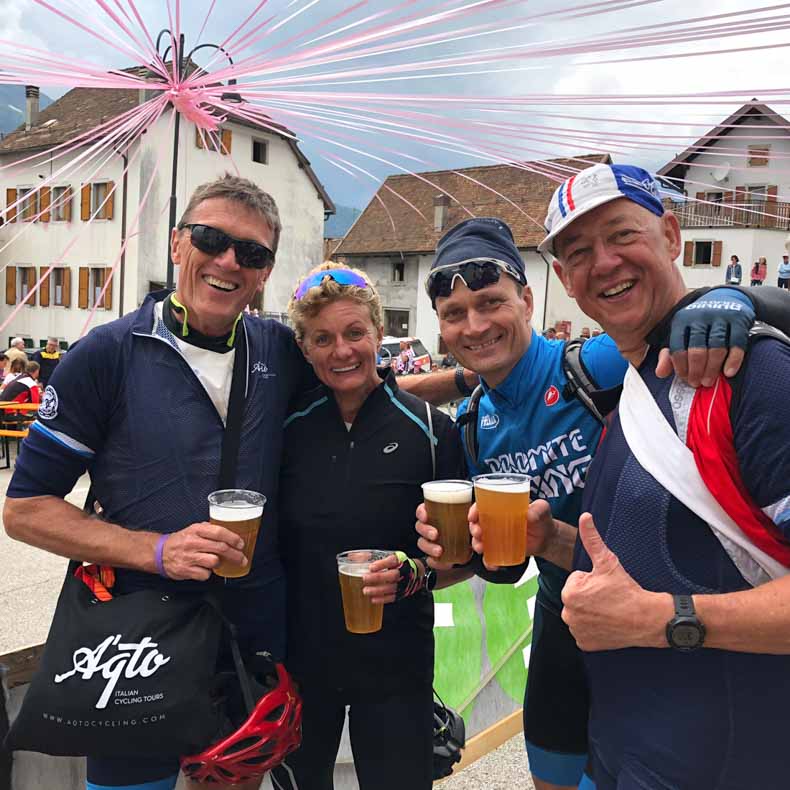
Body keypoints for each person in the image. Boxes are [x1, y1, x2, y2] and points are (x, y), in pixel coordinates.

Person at [411, 201, 790, 790]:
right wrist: (449, 556)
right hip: (564, 627)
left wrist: (738, 299)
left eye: (491, 304)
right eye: (455, 313)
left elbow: (674, 320)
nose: (476, 325)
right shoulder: (471, 423)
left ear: (530, 300)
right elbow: (507, 568)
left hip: (672, 637)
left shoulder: (595, 364)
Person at [3, 174, 314, 790]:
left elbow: (360, 395)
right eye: (211, 239)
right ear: (177, 244)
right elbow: (26, 509)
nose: (228, 261)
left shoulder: (279, 349)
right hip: (138, 633)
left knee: (230, 783)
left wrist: (468, 383)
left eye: (251, 253)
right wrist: (158, 550)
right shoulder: (107, 353)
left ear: (265, 273)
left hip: (248, 631)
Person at [271, 263, 469, 790]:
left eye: (355, 332)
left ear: (379, 334)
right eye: (323, 338)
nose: (342, 351)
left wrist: (417, 574)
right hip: (301, 662)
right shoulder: (283, 431)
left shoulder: (431, 430)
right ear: (305, 348)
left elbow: (463, 558)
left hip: (396, 663)